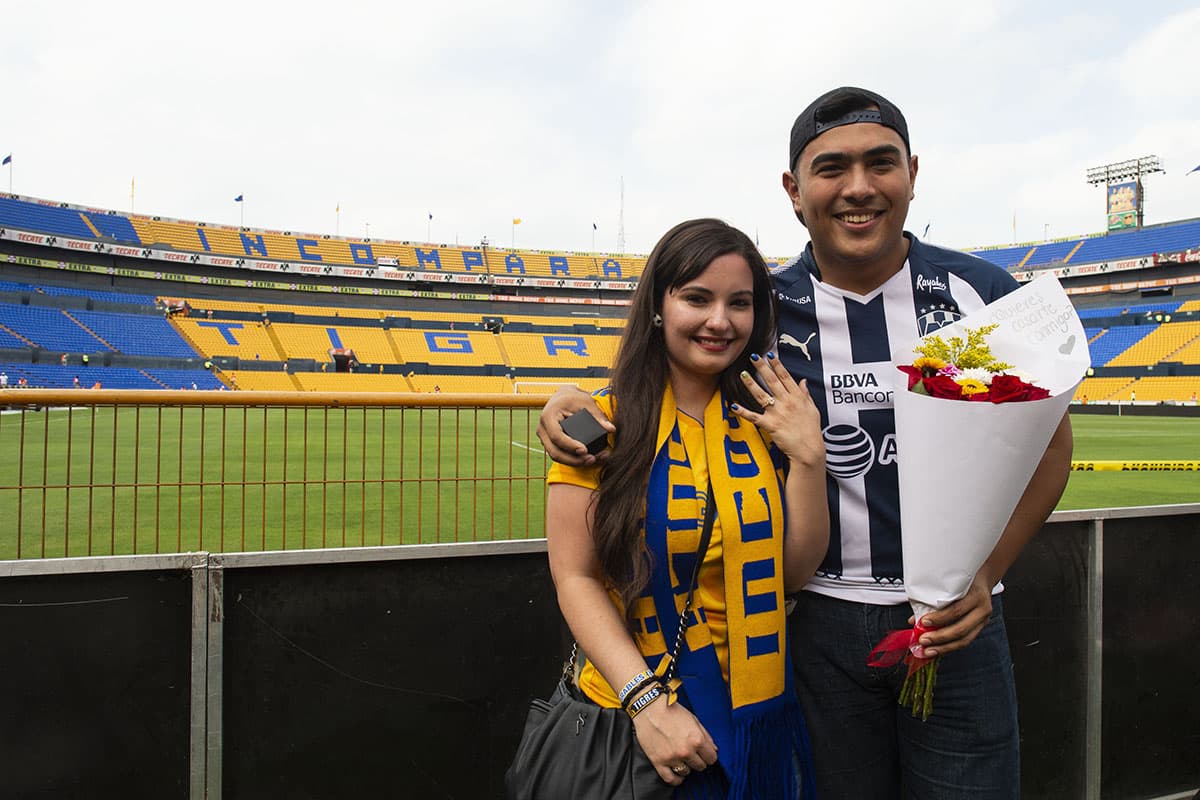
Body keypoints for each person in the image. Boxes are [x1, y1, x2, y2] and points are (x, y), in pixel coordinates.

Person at [538, 88, 1073, 799]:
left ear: (911, 172)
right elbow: (661, 380)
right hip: (817, 623)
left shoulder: (980, 291)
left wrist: (987, 573)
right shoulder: (763, 310)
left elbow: (1049, 445)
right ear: (794, 189)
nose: (858, 187)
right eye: (832, 168)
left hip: (956, 627)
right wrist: (562, 402)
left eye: (881, 163)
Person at [545, 218, 828, 798]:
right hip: (637, 720)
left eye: (739, 303)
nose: (720, 321)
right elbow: (574, 577)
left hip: (754, 709)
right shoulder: (599, 423)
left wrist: (809, 459)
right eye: (697, 298)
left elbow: (792, 574)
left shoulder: (769, 420)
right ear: (658, 305)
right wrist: (646, 704)